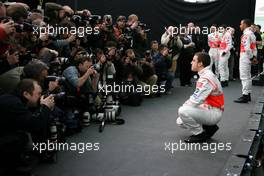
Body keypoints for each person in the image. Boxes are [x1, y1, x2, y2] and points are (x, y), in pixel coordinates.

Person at [176, 52, 224, 143]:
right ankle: (209, 128)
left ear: (200, 63)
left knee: (182, 111)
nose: (191, 62)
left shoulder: (206, 78)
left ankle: (199, 134)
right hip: (210, 108)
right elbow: (197, 97)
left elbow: (196, 100)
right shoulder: (206, 74)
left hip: (214, 112)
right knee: (180, 121)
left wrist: (185, 106)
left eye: (194, 60)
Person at [234, 19, 257, 103]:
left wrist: (251, 58)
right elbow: (254, 48)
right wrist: (254, 57)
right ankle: (248, 94)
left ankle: (245, 96)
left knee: (244, 77)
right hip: (249, 56)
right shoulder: (252, 34)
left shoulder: (246, 35)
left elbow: (247, 48)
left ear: (244, 24)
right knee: (248, 76)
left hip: (245, 57)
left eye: (241, 24)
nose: (240, 26)